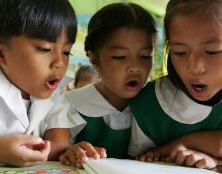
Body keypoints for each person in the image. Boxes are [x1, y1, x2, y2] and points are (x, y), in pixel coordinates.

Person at [0, 0, 77, 167]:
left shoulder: (58, 96)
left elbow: (57, 147)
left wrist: (73, 152)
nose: (59, 63)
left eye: (67, 52)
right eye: (45, 49)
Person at [43, 2, 156, 168]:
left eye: (145, 56)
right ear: (94, 59)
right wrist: (70, 152)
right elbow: (52, 152)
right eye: (120, 56)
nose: (135, 68)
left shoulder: (159, 103)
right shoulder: (70, 104)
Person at [129, 0, 222, 171]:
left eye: (212, 51)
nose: (194, 68)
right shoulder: (149, 104)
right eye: (180, 52)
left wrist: (214, 162)